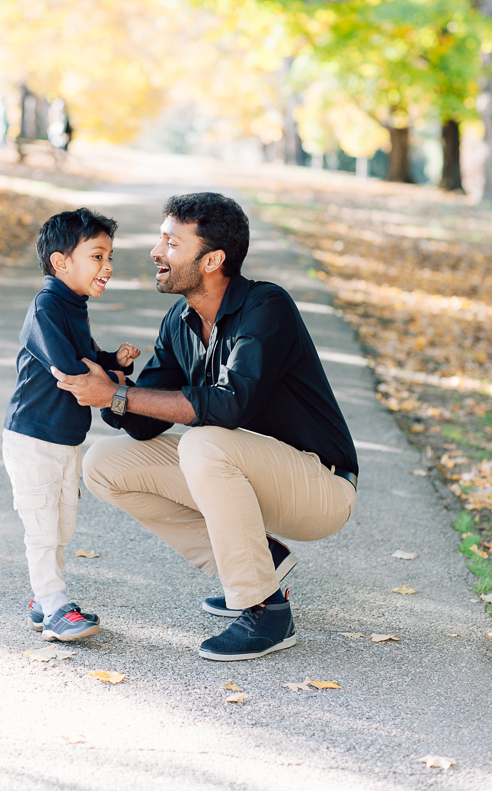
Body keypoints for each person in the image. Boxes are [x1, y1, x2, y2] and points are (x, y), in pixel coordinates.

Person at [51, 192, 358, 662]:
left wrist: (120, 396)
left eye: (171, 244)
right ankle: (263, 563)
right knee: (104, 465)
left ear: (212, 259)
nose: (157, 253)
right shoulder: (180, 320)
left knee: (204, 442)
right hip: (248, 474)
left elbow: (229, 406)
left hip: (321, 486)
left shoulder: (266, 307)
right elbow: (145, 424)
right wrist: (110, 386)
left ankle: (265, 610)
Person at [3, 208, 140, 641]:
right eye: (97, 256)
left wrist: (111, 363)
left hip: (63, 438)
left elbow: (87, 355)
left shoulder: (73, 305)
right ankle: (57, 605)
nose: (108, 267)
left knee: (61, 525)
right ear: (61, 262)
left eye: (110, 257)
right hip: (33, 436)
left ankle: (44, 602)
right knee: (43, 525)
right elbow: (67, 369)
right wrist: (112, 381)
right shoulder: (47, 305)